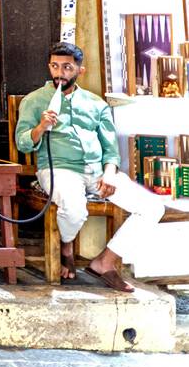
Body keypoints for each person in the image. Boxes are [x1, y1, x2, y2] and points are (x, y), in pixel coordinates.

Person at [13, 42, 161, 291]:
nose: (59, 73)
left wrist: (110, 173)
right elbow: (22, 143)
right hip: (57, 169)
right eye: (54, 66)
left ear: (80, 70)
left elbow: (111, 149)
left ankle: (105, 261)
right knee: (74, 208)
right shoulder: (34, 101)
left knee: (152, 207)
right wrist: (40, 128)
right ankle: (67, 247)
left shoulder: (96, 104)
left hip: (96, 172)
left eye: (67, 67)